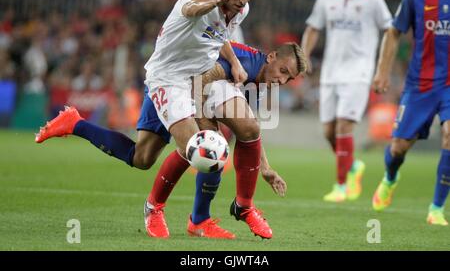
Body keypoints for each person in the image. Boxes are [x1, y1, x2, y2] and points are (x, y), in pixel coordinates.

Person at [35, 41, 307, 239]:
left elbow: (250, 130)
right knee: (143, 158)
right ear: (271, 57)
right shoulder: (245, 62)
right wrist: (201, 124)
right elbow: (203, 78)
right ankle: (77, 125)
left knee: (209, 148)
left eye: (289, 78)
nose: (283, 80)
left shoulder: (260, 81)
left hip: (194, 91)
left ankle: (208, 218)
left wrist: (266, 168)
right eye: (283, 71)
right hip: (172, 82)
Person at [301, 0, 392, 202]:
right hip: (331, 73)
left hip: (359, 72)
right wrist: (304, 56)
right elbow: (312, 28)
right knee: (329, 132)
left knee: (343, 126)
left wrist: (382, 69)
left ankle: (341, 186)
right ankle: (352, 166)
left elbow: (391, 31)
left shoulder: (372, 0)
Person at [372, 0, 450, 226]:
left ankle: (437, 208)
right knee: (398, 149)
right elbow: (394, 32)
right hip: (421, 86)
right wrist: (383, 71)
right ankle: (390, 177)